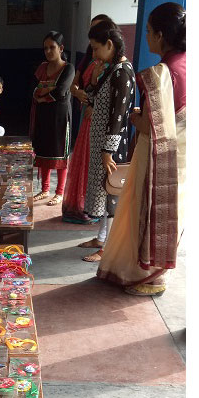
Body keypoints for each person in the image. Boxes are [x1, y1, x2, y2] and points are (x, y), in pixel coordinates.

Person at [98, 3, 186, 296]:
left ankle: (147, 276)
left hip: (157, 156)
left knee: (145, 211)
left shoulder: (162, 74)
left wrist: (135, 118)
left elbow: (151, 126)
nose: (146, 36)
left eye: (148, 31)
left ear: (160, 35)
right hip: (182, 158)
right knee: (171, 214)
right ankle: (155, 272)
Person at [80, 20, 135, 263]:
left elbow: (118, 116)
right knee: (104, 192)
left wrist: (108, 151)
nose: (93, 54)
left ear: (109, 45)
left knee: (112, 193)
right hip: (103, 145)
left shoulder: (123, 73)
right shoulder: (111, 70)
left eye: (96, 48)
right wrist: (91, 83)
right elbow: (94, 98)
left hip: (112, 147)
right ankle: (101, 238)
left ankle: (108, 248)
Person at [61, 14, 115, 221]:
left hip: (100, 119)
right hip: (86, 114)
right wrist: (79, 93)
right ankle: (78, 204)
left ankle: (93, 208)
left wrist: (95, 103)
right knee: (83, 157)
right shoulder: (89, 57)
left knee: (95, 162)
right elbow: (74, 85)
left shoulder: (115, 65)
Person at [30, 31, 75, 204]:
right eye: (45, 48)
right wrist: (46, 90)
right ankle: (45, 189)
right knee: (44, 151)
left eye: (52, 47)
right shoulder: (42, 67)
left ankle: (60, 192)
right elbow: (34, 89)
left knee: (60, 153)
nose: (48, 51)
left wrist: (43, 93)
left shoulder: (68, 68)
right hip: (43, 115)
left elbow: (61, 92)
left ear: (61, 48)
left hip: (60, 117)